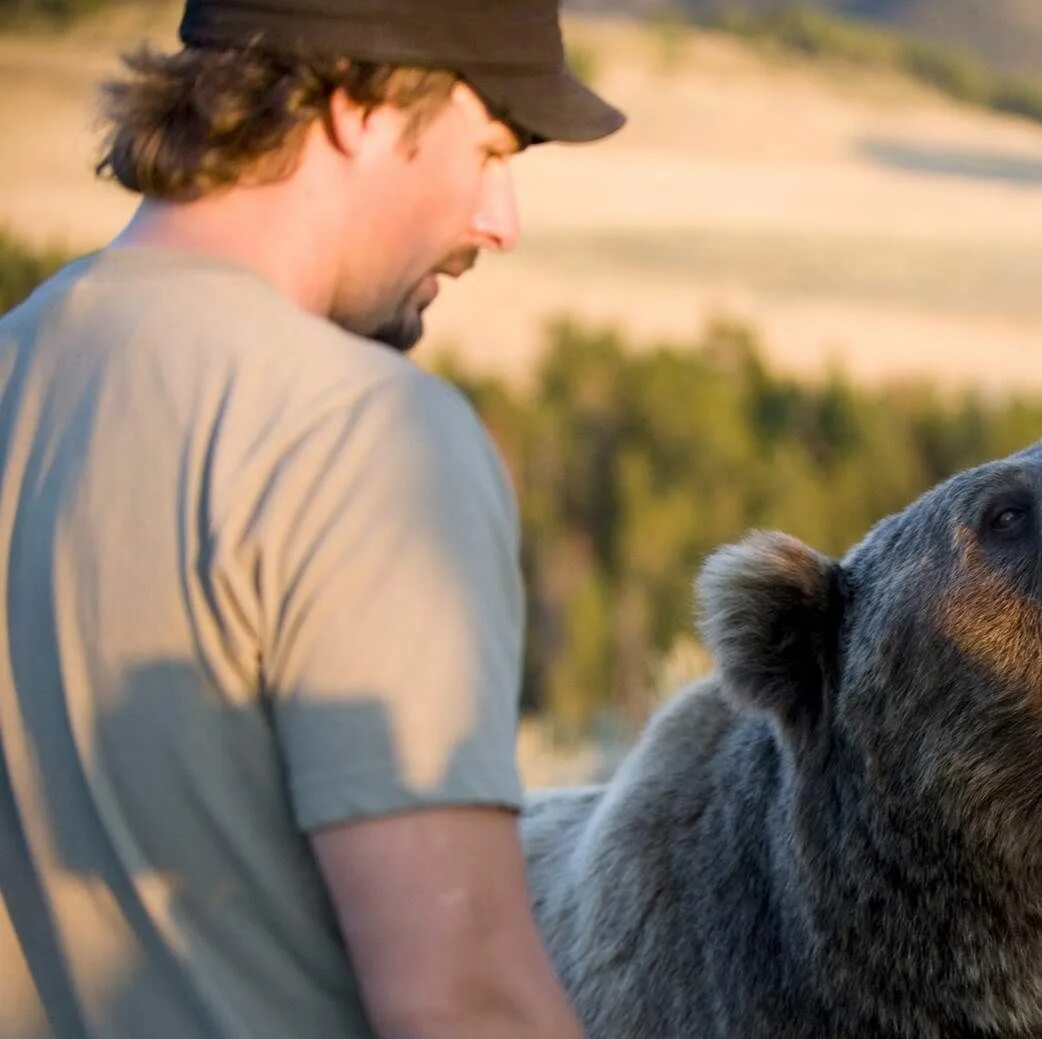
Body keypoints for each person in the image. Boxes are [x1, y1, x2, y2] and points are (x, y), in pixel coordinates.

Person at [0, 1, 623, 1036]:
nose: (502, 220)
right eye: (490, 150)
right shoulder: (362, 433)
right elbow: (463, 998)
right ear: (362, 106)